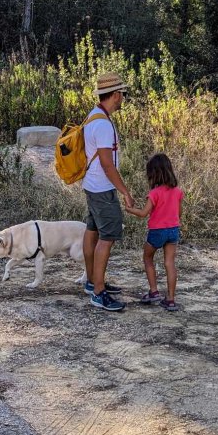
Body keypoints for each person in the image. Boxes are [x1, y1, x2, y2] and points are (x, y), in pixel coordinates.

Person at [81, 72, 135, 312]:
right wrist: (124, 191)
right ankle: (99, 293)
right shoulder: (103, 124)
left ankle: (92, 281)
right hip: (103, 188)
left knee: (92, 231)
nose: (123, 98)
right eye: (122, 94)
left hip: (91, 186)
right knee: (108, 237)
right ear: (115, 95)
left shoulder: (94, 115)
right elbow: (107, 163)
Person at [124, 152, 184, 312]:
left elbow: (143, 213)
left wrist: (130, 210)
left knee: (148, 258)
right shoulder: (177, 191)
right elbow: (179, 214)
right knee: (170, 263)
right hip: (173, 231)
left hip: (157, 231)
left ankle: (154, 291)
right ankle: (170, 299)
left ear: (153, 174)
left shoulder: (154, 193)